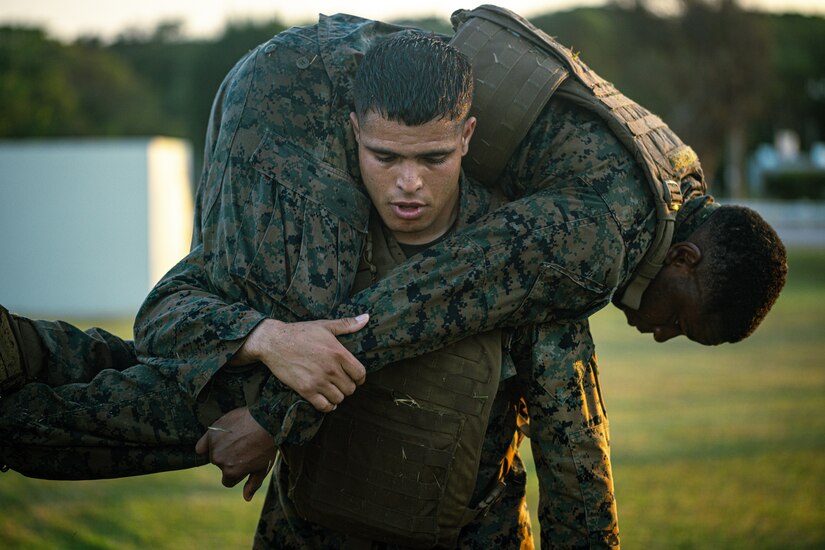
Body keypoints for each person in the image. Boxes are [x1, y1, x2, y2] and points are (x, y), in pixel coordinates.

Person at [0, 7, 787, 548]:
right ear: (686, 257)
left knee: (235, 369)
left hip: (329, 78)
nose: (655, 330)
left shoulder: (672, 173)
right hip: (292, 106)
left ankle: (27, 358)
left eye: (433, 160)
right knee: (233, 390)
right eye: (681, 320)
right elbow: (421, 300)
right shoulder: (597, 238)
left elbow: (570, 446)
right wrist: (275, 411)